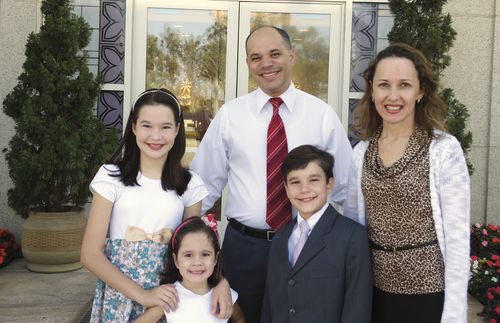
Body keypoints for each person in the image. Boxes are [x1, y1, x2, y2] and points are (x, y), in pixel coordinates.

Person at [190, 25, 353, 322]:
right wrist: (185, 244)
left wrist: (354, 250)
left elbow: (345, 188)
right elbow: (202, 187)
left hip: (307, 246)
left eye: (275, 54)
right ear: (249, 64)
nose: (266, 64)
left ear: (291, 56)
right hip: (243, 248)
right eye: (256, 57)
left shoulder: (321, 116)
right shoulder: (231, 116)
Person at [343, 43, 470, 323]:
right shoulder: (361, 152)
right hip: (373, 290)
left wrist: (454, 313)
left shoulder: (443, 150)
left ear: (420, 91)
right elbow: (352, 225)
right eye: (384, 85)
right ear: (372, 91)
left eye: (404, 85)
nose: (393, 96)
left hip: (427, 291)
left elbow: (458, 239)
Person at [81, 89, 231, 322]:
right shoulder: (111, 177)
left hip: (168, 298)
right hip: (119, 295)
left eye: (165, 127)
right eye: (147, 125)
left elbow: (196, 246)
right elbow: (90, 254)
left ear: (177, 130)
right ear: (133, 127)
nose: (156, 136)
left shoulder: (190, 185)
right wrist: (143, 295)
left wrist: (220, 280)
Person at [261, 145, 372, 323]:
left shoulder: (352, 237)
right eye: (295, 182)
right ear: (286, 188)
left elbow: (357, 307)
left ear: (329, 184)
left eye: (313, 180)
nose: (304, 189)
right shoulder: (280, 239)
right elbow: (270, 304)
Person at [135, 215, 245, 323]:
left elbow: (239, 319)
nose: (197, 262)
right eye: (188, 255)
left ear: (215, 258)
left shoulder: (225, 295)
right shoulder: (170, 297)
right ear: (176, 260)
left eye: (205, 254)